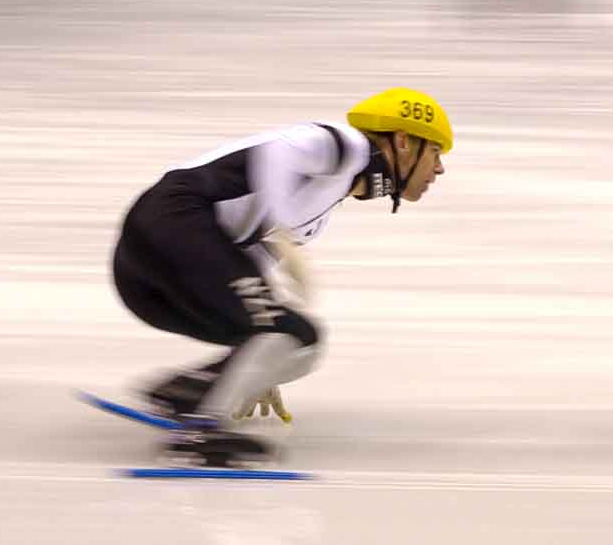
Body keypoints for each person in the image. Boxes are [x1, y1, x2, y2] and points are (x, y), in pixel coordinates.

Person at [112, 87, 451, 465]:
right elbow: (279, 152)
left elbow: (247, 269)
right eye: (435, 152)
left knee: (300, 340)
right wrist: (283, 233)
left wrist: (255, 367)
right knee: (288, 333)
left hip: (146, 268)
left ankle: (188, 392)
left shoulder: (320, 209)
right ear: (403, 141)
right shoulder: (342, 146)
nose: (439, 169)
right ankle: (201, 432)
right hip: (175, 219)